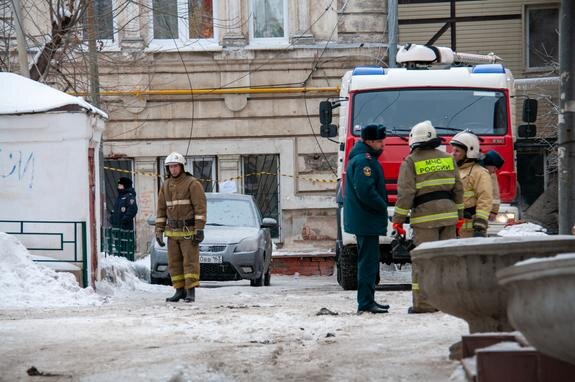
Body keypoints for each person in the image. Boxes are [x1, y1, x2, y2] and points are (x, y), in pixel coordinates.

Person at [392, 121, 464, 314]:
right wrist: (459, 216)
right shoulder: (448, 159)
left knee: (424, 262)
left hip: (425, 219)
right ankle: (448, 303)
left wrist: (397, 220)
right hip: (449, 216)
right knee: (446, 261)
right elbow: (458, 188)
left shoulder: (410, 161)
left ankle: (423, 304)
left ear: (414, 140)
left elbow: (405, 194)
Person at [343, 124, 390, 314]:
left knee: (369, 261)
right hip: (366, 220)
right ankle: (365, 302)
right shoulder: (364, 161)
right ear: (370, 141)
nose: (382, 145)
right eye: (379, 141)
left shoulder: (362, 158)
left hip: (365, 219)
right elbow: (365, 191)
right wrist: (382, 205)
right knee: (368, 263)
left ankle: (368, 300)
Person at [155, 152, 207, 303]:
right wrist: (159, 230)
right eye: (170, 167)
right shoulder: (165, 185)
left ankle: (190, 292)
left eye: (175, 166)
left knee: (189, 262)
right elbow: (161, 210)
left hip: (188, 232)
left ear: (182, 166)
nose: (173, 169)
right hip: (172, 233)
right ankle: (179, 291)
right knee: (174, 263)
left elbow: (200, 208)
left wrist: (199, 228)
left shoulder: (192, 183)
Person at [450, 131, 493, 238]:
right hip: (451, 227)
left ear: (469, 152)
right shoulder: (452, 170)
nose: (453, 153)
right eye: (453, 150)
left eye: (457, 151)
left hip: (469, 231)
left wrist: (480, 225)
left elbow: (485, 198)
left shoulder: (479, 173)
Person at [109, 177, 138, 258]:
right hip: (117, 228)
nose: (118, 187)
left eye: (120, 185)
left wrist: (124, 220)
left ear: (125, 186)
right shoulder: (119, 197)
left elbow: (133, 209)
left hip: (125, 229)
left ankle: (128, 263)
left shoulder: (129, 196)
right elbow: (115, 210)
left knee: (126, 249)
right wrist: (112, 218)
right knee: (119, 250)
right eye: (118, 185)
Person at [480, 150, 504, 221]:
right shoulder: (478, 171)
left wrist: (494, 211)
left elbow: (495, 194)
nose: (495, 170)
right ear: (489, 164)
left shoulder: (491, 175)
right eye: (495, 167)